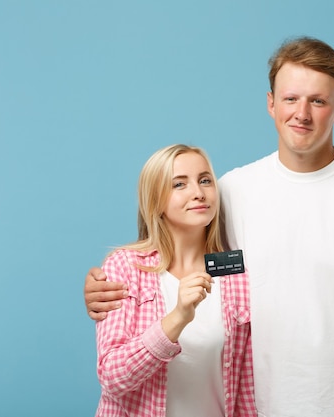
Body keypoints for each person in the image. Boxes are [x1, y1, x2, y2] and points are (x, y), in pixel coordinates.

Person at [86, 37, 334, 417]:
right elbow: (179, 254)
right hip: (257, 407)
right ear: (270, 104)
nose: (302, 113)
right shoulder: (231, 192)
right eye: (290, 98)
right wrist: (108, 287)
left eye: (318, 100)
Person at [93, 144, 256, 417]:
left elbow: (248, 385)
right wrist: (177, 317)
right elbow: (113, 377)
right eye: (180, 184)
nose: (198, 193)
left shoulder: (236, 271)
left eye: (205, 180)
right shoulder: (126, 267)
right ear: (155, 201)